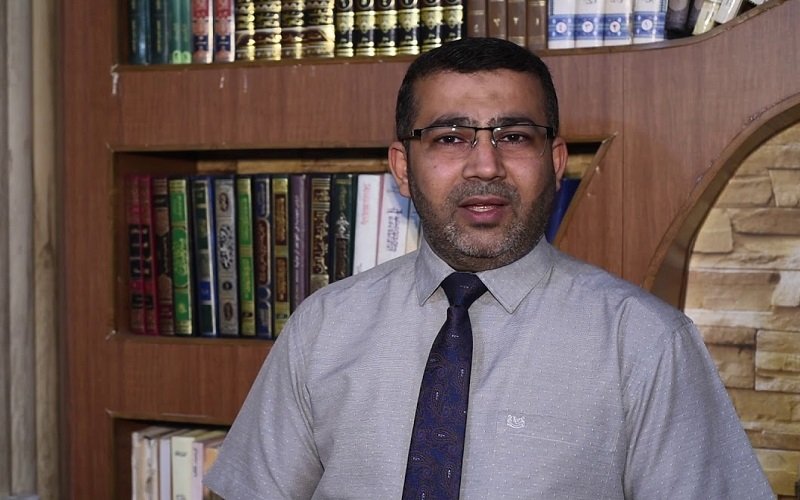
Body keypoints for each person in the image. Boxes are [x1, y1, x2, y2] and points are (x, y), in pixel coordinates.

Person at [205, 37, 773, 499]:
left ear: (555, 161)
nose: (485, 164)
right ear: (402, 167)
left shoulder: (646, 343)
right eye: (450, 137)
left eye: (514, 136)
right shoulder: (324, 327)